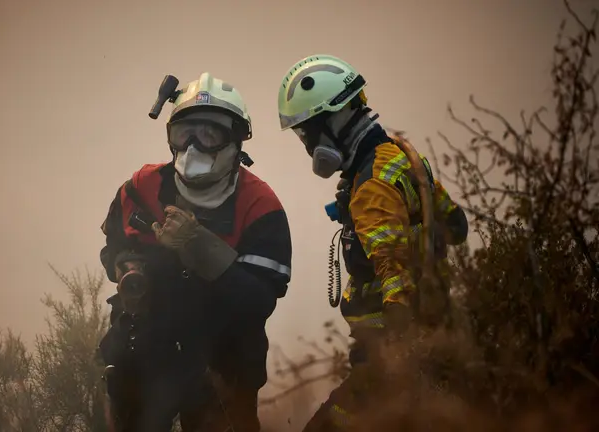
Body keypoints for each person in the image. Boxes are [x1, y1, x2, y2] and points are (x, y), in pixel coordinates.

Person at [275, 54, 469, 431]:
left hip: (386, 352)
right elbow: (455, 224)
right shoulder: (397, 154)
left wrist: (397, 337)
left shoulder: (372, 184)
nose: (306, 145)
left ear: (334, 119)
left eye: (307, 132)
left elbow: (391, 266)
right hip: (431, 333)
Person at [98, 72, 292, 432]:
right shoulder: (141, 187)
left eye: (209, 134)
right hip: (146, 352)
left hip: (224, 360)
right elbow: (113, 247)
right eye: (184, 133)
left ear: (235, 140)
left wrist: (199, 247)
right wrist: (126, 265)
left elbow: (260, 299)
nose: (193, 147)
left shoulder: (260, 206)